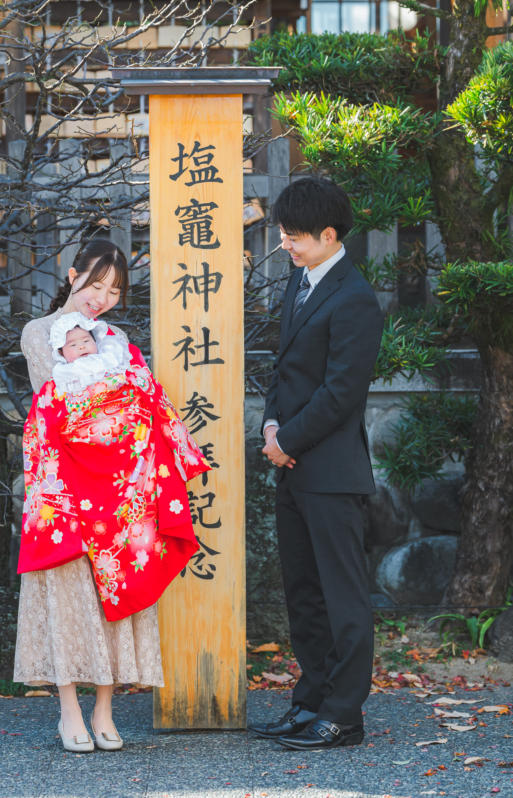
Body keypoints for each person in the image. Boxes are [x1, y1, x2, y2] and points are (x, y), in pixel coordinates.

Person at [14, 239, 208, 753]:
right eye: (95, 284)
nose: (101, 298)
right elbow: (59, 401)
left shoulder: (117, 340)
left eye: (114, 290)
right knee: (68, 592)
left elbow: (142, 399)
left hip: (120, 491)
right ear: (72, 274)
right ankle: (68, 710)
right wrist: (121, 409)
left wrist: (132, 413)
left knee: (110, 594)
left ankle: (104, 707)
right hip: (66, 486)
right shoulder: (40, 333)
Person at [249, 178, 383, 752]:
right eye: (282, 234)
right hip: (292, 464)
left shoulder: (356, 298)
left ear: (330, 236)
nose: (285, 245)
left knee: (342, 598)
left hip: (330, 472)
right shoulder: (301, 283)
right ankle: (310, 703)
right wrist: (271, 423)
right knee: (303, 594)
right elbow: (287, 372)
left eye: (294, 237)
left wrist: (288, 439)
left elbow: (341, 393)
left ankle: (344, 716)